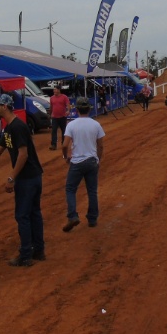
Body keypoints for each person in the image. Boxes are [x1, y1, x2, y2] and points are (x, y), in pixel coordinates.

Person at [0, 94, 45, 266]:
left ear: (4, 106)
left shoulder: (17, 127)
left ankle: (26, 255)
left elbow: (23, 154)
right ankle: (38, 251)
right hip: (33, 176)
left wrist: (11, 177)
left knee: (23, 215)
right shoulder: (9, 128)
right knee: (33, 213)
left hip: (27, 178)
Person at [61, 97, 105, 232]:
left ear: (77, 109)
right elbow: (101, 145)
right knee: (92, 191)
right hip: (92, 161)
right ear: (89, 109)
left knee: (70, 189)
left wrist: (66, 156)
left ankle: (72, 215)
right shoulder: (95, 124)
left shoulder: (71, 125)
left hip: (77, 162)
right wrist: (97, 159)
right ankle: (92, 219)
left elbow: (64, 145)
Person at [48, 85, 70, 151]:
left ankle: (64, 144)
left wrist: (68, 110)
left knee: (64, 131)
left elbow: (68, 105)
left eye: (55, 89)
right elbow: (51, 107)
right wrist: (49, 114)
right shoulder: (51, 98)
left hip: (62, 117)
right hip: (54, 117)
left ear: (59, 90)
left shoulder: (64, 97)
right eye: (54, 90)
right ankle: (53, 144)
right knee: (54, 130)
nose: (54, 91)